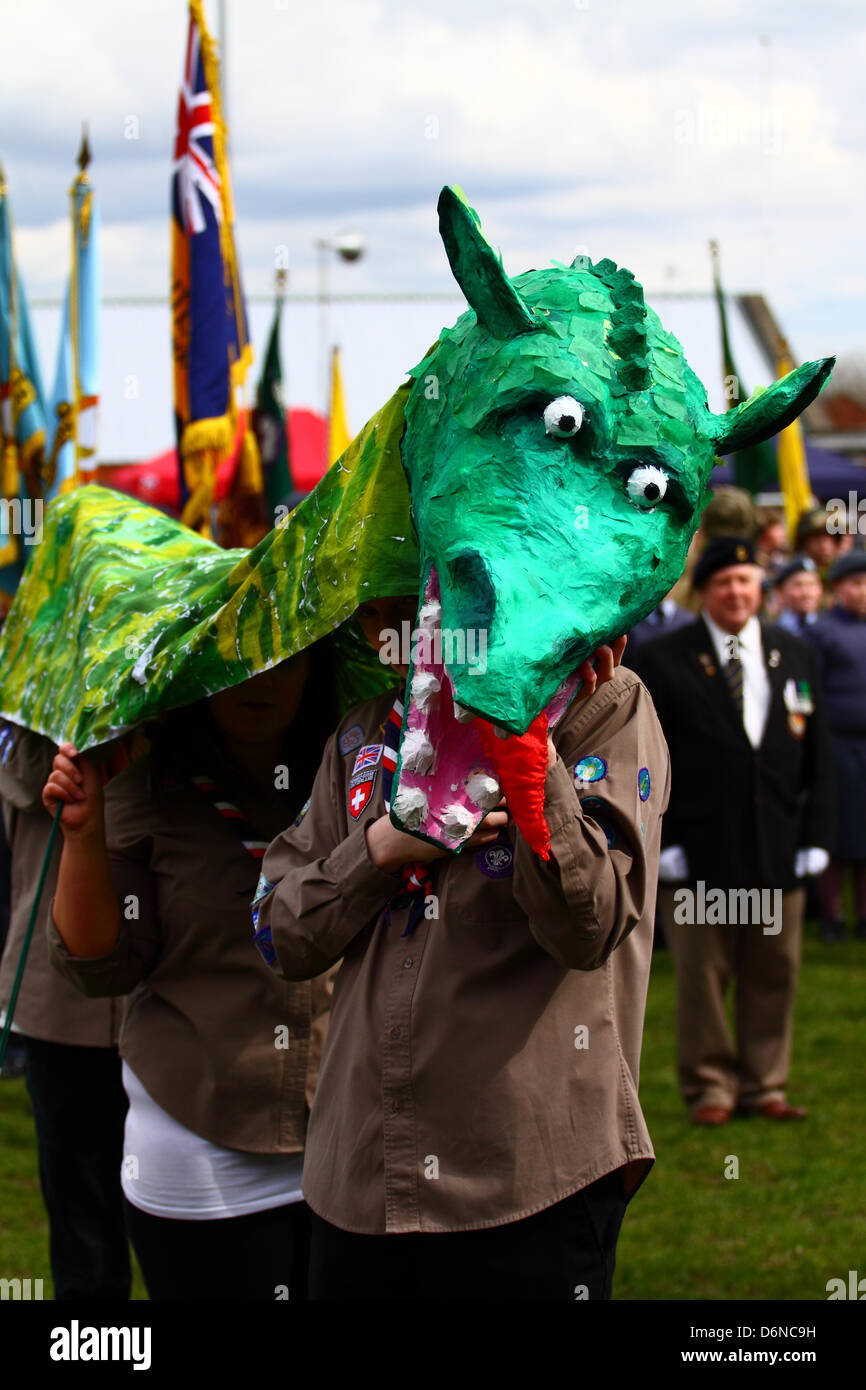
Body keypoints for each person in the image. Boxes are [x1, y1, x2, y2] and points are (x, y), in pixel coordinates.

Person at [251, 595, 669, 1301]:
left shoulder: (603, 703)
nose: (401, 628)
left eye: (418, 598)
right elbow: (279, 934)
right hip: (361, 1178)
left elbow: (589, 925)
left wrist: (525, 745)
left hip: (526, 1174)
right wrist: (379, 848)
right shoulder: (362, 738)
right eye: (381, 612)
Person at [44, 653, 336, 1301]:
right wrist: (82, 835)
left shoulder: (361, 776)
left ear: (315, 666)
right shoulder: (149, 791)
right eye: (237, 662)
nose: (259, 684)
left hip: (341, 1143)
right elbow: (101, 966)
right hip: (198, 1150)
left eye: (281, 662)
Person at [636, 537, 834, 1126]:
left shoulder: (792, 652)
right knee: (703, 975)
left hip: (778, 844)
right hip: (697, 848)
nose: (736, 592)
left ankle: (764, 1083)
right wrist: (659, 840)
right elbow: (647, 759)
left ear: (760, 588)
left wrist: (816, 835)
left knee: (774, 968)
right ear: (703, 591)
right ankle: (710, 1088)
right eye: (724, 582)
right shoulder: (665, 656)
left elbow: (816, 749)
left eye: (746, 581)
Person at [0, 723, 132, 1299]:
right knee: (82, 1229)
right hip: (57, 997)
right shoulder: (27, 684)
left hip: (168, 994)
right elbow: (27, 784)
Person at [805, 551, 866, 942]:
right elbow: (809, 691)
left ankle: (864, 916)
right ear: (838, 587)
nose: (861, 591)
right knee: (838, 834)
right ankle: (832, 916)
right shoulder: (822, 632)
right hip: (837, 748)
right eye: (854, 583)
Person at [772, 556, 823, 636]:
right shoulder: (774, 632)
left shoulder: (829, 629)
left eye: (811, 584)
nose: (806, 593)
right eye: (798, 585)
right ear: (781, 591)